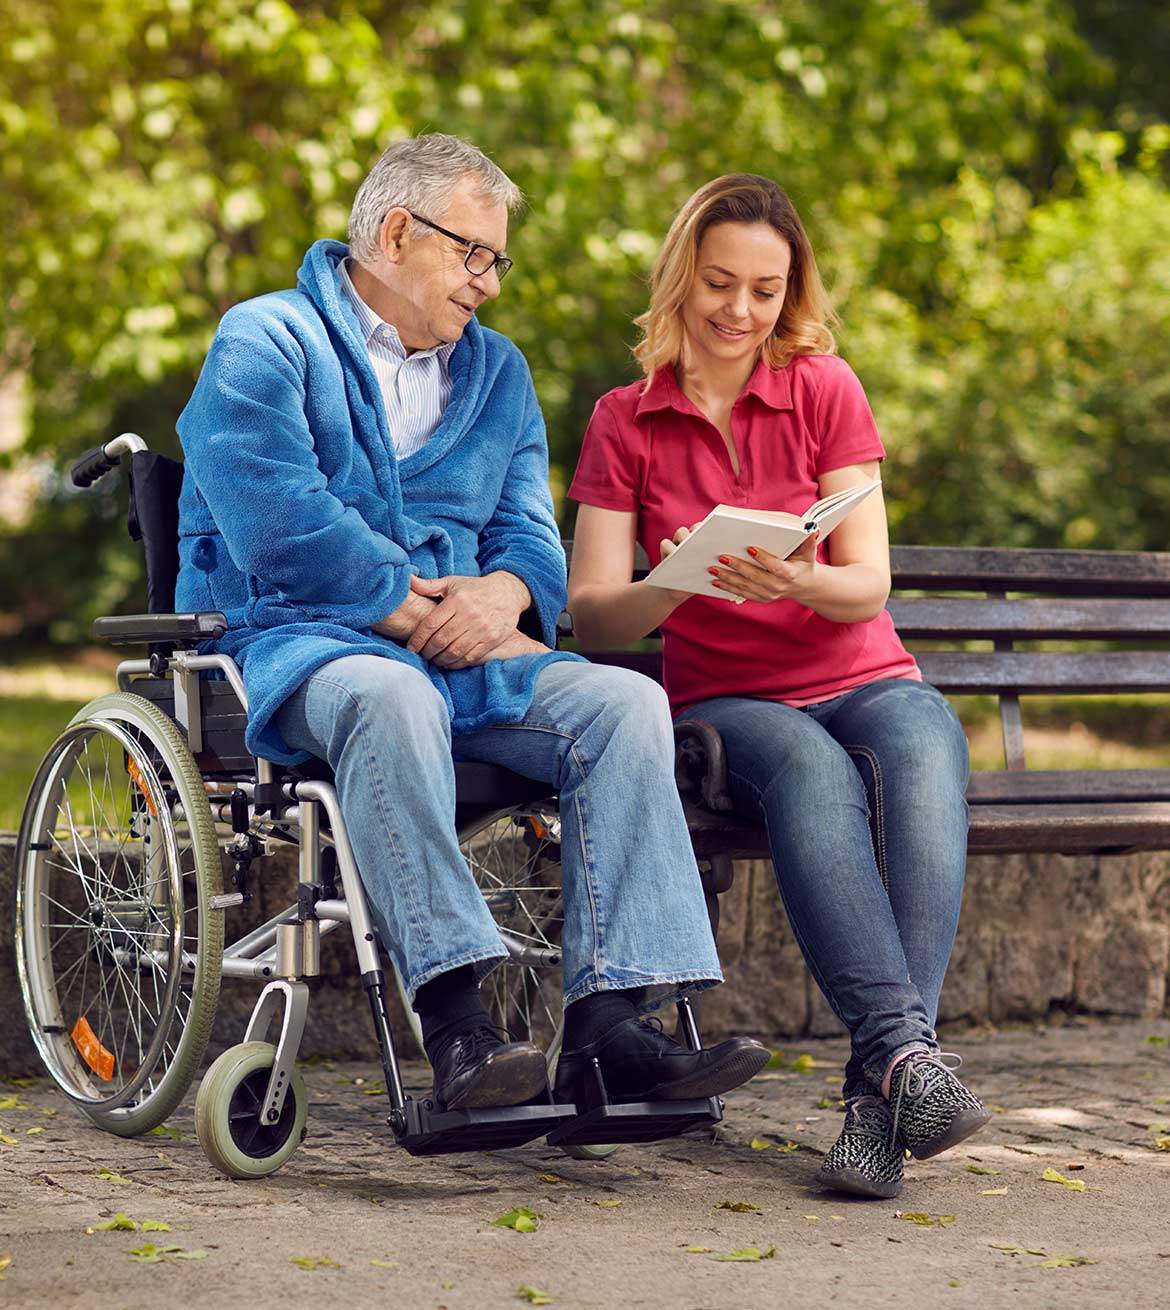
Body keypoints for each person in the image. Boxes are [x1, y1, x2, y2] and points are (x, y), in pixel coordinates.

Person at [175, 135, 769, 1118]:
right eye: (475, 255)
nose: (490, 284)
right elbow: (275, 514)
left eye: (499, 261)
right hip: (307, 644)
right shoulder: (265, 339)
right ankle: (457, 1027)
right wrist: (409, 611)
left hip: (472, 653)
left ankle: (610, 1026)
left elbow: (532, 538)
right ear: (398, 232)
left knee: (624, 701)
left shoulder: (497, 373)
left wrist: (502, 596)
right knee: (389, 685)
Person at [567, 173, 986, 1198]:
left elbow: (867, 582)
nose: (740, 311)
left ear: (790, 291)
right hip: (729, 702)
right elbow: (591, 612)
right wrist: (673, 579)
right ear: (681, 278)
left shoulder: (826, 388)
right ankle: (902, 1058)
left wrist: (795, 576)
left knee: (929, 742)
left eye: (765, 289)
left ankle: (878, 1084)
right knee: (809, 768)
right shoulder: (624, 420)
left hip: (861, 669)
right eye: (719, 283)